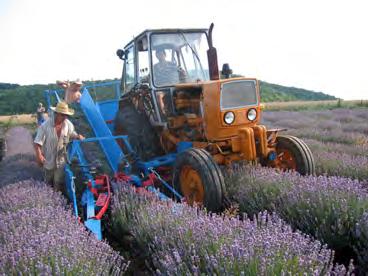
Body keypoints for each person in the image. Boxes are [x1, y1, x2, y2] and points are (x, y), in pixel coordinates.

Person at [34, 101, 84, 193]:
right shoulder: (45, 126)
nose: (65, 117)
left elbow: (71, 133)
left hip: (61, 158)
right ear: (56, 114)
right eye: (63, 115)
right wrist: (39, 156)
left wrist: (77, 136)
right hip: (48, 157)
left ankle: (56, 198)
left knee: (58, 181)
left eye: (66, 115)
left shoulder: (68, 124)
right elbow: (37, 143)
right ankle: (46, 197)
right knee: (48, 180)